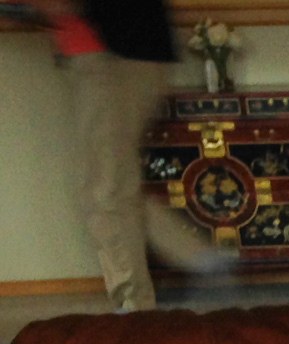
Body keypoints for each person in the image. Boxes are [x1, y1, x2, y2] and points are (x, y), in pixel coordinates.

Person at [25, 0, 225, 311]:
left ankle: (136, 307)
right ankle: (197, 257)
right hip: (116, 50)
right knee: (113, 182)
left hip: (109, 54)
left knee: (103, 190)